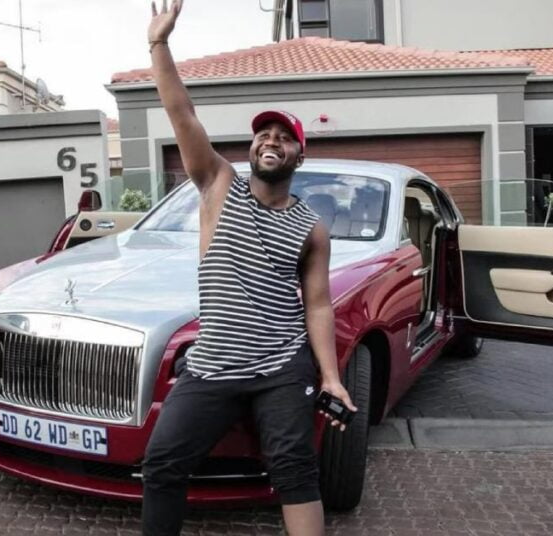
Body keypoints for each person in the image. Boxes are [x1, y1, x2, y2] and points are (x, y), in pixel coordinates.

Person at [141, 1, 358, 535]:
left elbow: (319, 304)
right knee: (162, 465)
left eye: (284, 138)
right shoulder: (217, 184)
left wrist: (331, 377)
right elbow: (182, 113)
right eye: (264, 134)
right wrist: (159, 44)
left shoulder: (312, 228)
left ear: (298, 157)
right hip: (212, 365)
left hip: (282, 368)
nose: (271, 141)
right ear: (251, 147)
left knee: (294, 469)